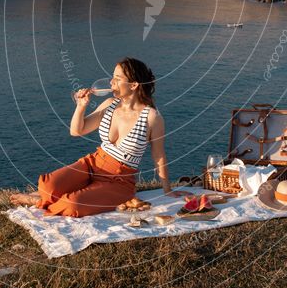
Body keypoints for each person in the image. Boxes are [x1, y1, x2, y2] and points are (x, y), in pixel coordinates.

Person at [9, 57, 182, 216]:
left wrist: (167, 190)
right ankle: (48, 196)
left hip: (119, 181)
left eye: (117, 78)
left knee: (73, 204)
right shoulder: (109, 105)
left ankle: (39, 200)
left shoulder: (152, 117)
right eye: (112, 77)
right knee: (48, 186)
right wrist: (81, 106)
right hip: (92, 164)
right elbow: (76, 131)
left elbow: (158, 155)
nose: (111, 82)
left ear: (134, 85)